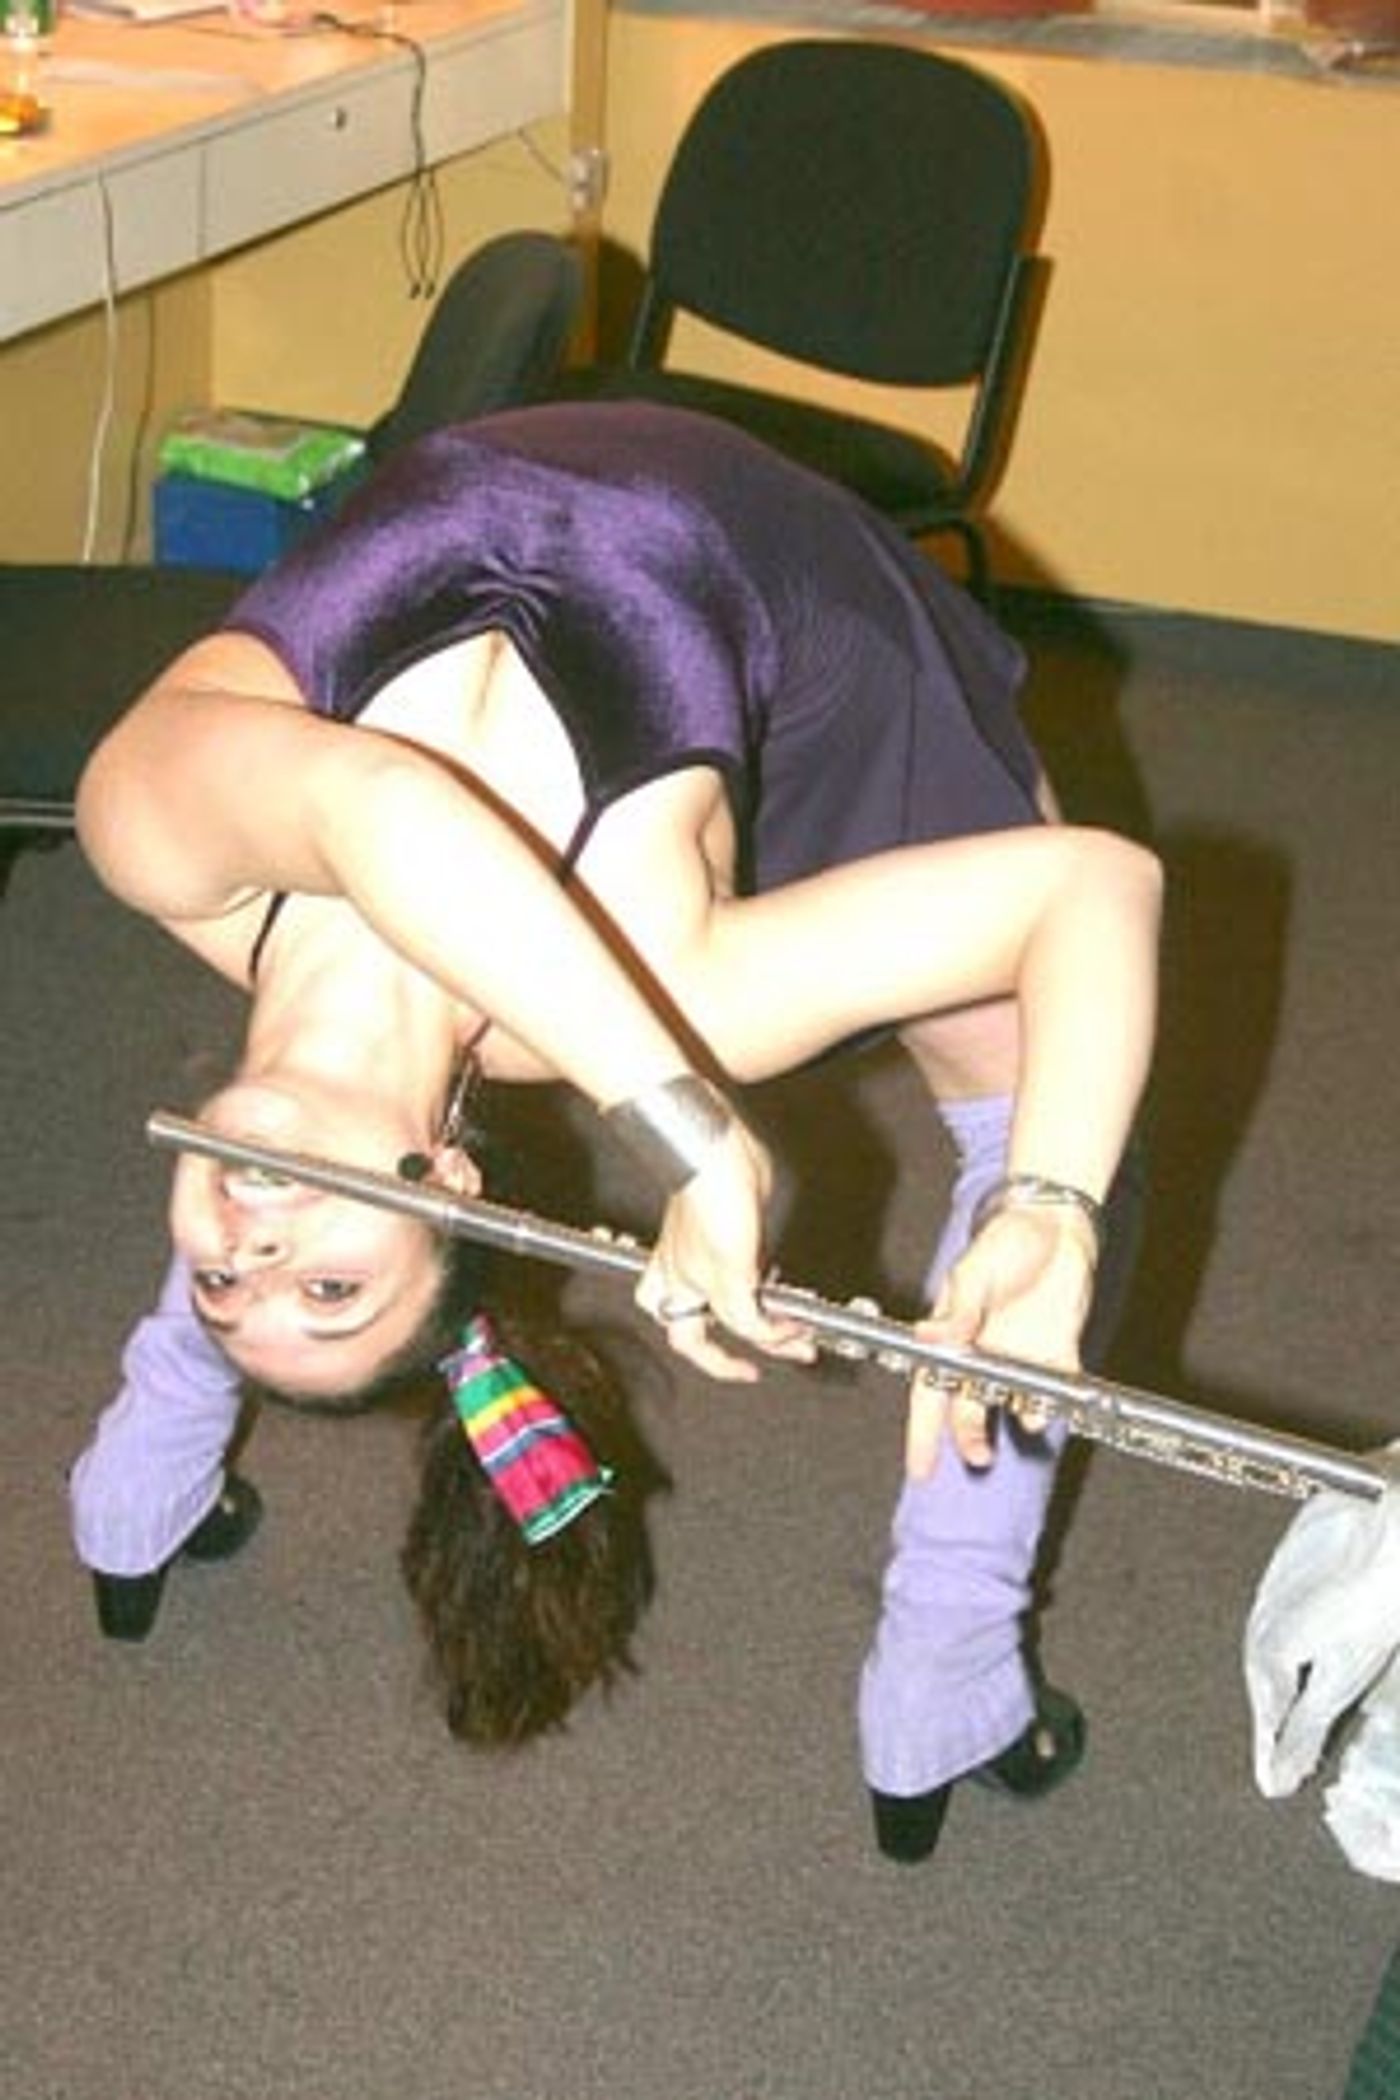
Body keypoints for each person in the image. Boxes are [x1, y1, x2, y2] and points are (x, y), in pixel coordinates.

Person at [71, 401, 1161, 1850]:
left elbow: (379, 809)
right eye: (329, 1288)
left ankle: (137, 1474)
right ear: (448, 1184)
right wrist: (1051, 1210)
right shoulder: (675, 994)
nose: (254, 1248)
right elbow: (1095, 887)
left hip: (537, 439)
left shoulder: (152, 843)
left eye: (219, 1277)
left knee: (304, 1147)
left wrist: (697, 1144)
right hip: (814, 616)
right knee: (1054, 1106)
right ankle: (947, 1668)